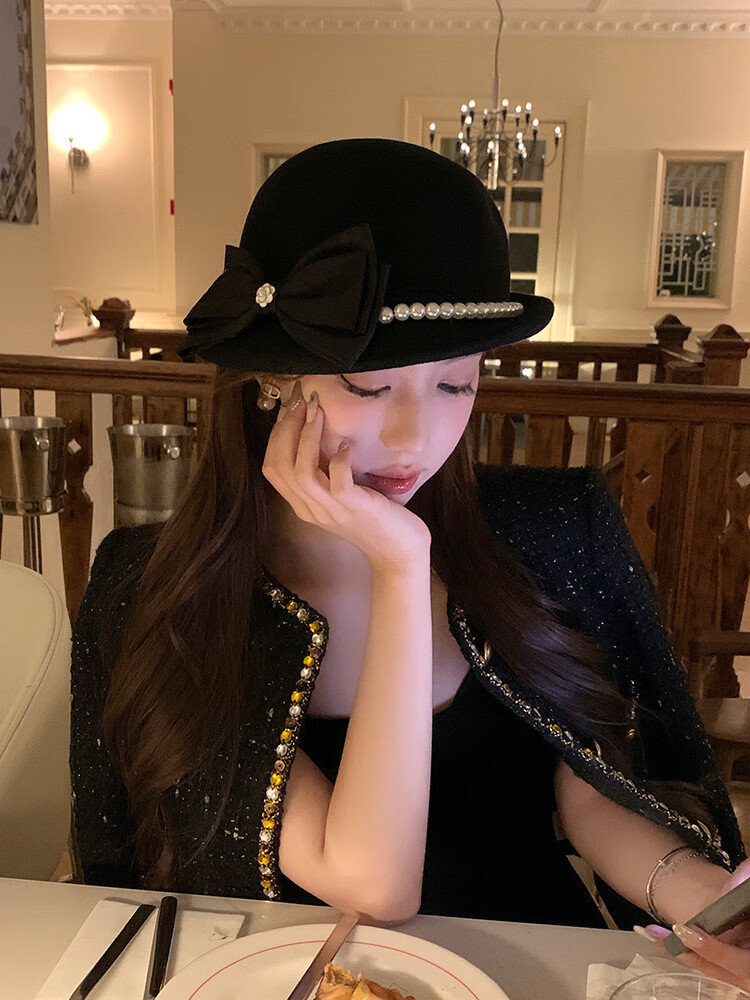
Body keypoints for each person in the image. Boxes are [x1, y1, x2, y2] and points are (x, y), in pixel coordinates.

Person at [71, 138, 748, 933]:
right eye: (369, 386)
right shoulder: (163, 590)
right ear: (272, 377)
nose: (413, 437)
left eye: (456, 383)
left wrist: (705, 898)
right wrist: (399, 566)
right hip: (299, 971)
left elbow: (590, 789)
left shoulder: (553, 528)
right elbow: (373, 886)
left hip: (530, 963)